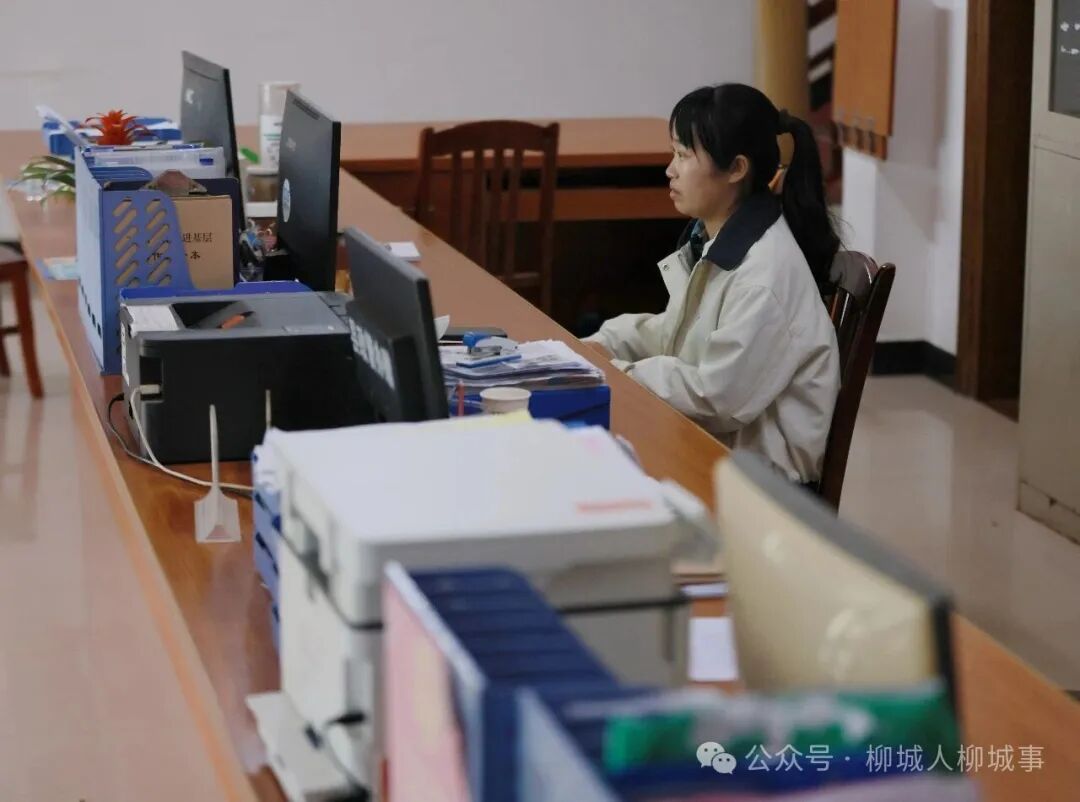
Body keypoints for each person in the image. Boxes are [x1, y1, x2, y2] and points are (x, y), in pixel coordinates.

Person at [583, 84, 841, 483]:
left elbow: (716, 398)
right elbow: (678, 332)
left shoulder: (763, 275)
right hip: (726, 444)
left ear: (736, 168)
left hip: (761, 476)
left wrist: (619, 372)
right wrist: (606, 344)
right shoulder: (719, 239)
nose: (670, 170)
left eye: (684, 155)